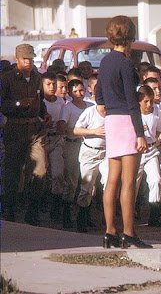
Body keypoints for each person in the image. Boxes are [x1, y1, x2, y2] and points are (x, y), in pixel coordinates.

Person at [95, 15, 152, 249]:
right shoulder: (127, 63)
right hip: (127, 121)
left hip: (111, 121)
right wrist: (140, 133)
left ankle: (109, 231)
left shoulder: (105, 61)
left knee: (112, 180)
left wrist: (103, 104)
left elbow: (98, 93)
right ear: (131, 36)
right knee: (129, 183)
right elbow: (132, 102)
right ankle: (129, 233)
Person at [0, 43, 51, 225]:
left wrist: (44, 114)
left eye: (30, 58)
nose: (28, 62)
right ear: (17, 59)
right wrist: (19, 104)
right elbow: (2, 105)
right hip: (15, 129)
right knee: (13, 172)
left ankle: (32, 211)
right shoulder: (7, 79)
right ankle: (10, 209)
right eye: (24, 58)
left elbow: (41, 102)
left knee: (40, 171)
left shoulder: (38, 78)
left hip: (35, 130)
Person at [57, 79, 93, 229]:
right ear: (70, 93)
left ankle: (84, 215)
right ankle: (66, 214)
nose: (79, 94)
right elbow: (62, 126)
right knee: (71, 181)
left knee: (87, 181)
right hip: (72, 145)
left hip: (88, 145)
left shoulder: (91, 106)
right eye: (75, 91)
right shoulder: (68, 108)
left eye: (81, 90)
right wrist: (75, 131)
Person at [136, 85, 161, 228]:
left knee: (156, 180)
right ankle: (129, 213)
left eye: (150, 101)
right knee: (133, 184)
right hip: (136, 153)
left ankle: (154, 215)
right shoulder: (133, 114)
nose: (149, 105)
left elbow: (160, 131)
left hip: (151, 151)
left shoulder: (156, 111)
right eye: (145, 102)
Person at [73, 103, 107, 233]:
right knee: (87, 187)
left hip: (107, 152)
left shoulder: (113, 111)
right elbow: (76, 130)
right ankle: (82, 217)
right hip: (90, 152)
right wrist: (94, 131)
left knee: (109, 182)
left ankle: (107, 218)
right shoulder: (90, 111)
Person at [41, 72, 66, 222]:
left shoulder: (61, 102)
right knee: (42, 172)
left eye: (54, 84)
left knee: (58, 173)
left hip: (56, 140)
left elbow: (63, 121)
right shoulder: (39, 103)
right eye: (48, 84)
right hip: (42, 139)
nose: (52, 87)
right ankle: (41, 201)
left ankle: (56, 206)